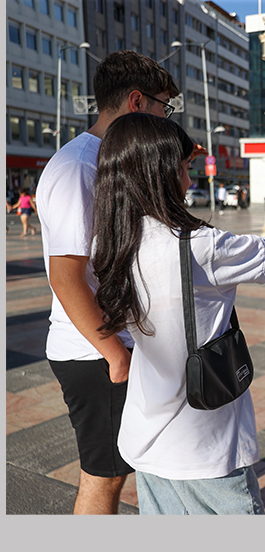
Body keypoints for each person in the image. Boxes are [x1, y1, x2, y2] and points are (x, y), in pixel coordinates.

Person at [91, 113, 265, 514]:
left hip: (145, 436)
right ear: (158, 173)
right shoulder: (200, 247)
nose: (189, 182)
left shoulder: (111, 243)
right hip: (203, 443)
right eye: (184, 169)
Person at [35, 49, 180, 514]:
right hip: (95, 350)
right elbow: (65, 275)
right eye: (165, 106)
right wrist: (115, 355)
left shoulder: (112, 159)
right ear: (137, 101)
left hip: (116, 343)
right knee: (104, 480)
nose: (167, 116)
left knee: (123, 473)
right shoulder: (79, 166)